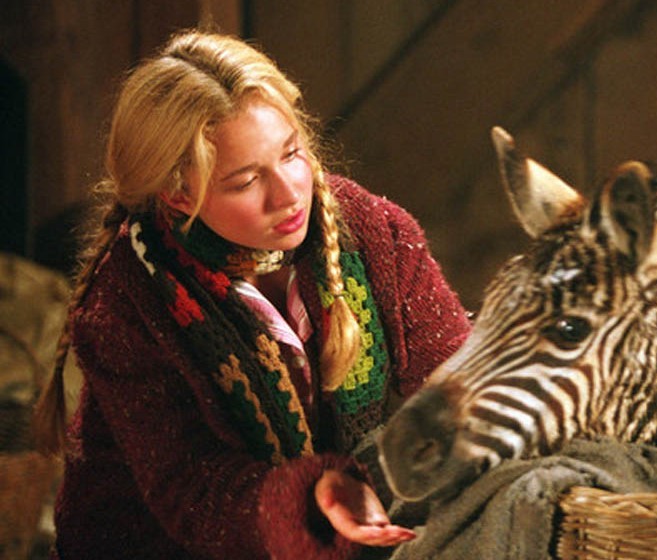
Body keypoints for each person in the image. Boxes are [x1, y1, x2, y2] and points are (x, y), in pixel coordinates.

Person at [33, 29, 471, 559]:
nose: (289, 193)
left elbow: (458, 377)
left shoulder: (373, 234)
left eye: (291, 154)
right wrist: (313, 498)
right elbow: (192, 489)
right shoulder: (130, 303)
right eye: (245, 181)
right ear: (178, 194)